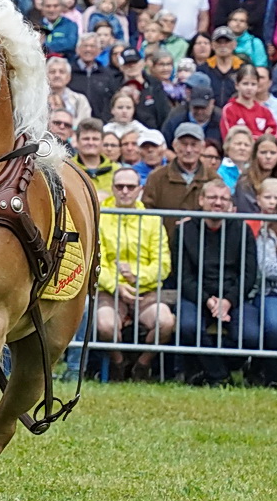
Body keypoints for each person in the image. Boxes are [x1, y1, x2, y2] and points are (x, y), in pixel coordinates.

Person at [173, 179, 263, 385]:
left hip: (234, 296)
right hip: (197, 296)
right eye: (212, 197)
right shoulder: (185, 230)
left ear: (231, 205)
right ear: (201, 200)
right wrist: (208, 300)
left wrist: (228, 301)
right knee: (188, 327)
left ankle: (212, 369)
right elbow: (182, 275)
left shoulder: (242, 230)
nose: (218, 203)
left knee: (250, 336)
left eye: (224, 199)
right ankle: (219, 375)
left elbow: (249, 274)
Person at [95, 166, 175, 379]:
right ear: (112, 188)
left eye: (130, 186)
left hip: (145, 290)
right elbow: (95, 260)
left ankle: (141, 365)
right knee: (105, 325)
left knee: (165, 322)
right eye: (119, 186)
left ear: (139, 189)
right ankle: (119, 363)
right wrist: (117, 285)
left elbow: (163, 264)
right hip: (110, 289)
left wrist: (137, 277)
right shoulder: (100, 217)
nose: (125, 191)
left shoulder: (152, 219)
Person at [144, 122, 209, 228]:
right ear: (174, 146)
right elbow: (147, 212)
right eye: (184, 144)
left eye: (193, 144)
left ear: (202, 147)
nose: (188, 150)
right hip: (163, 241)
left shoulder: (212, 178)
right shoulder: (157, 177)